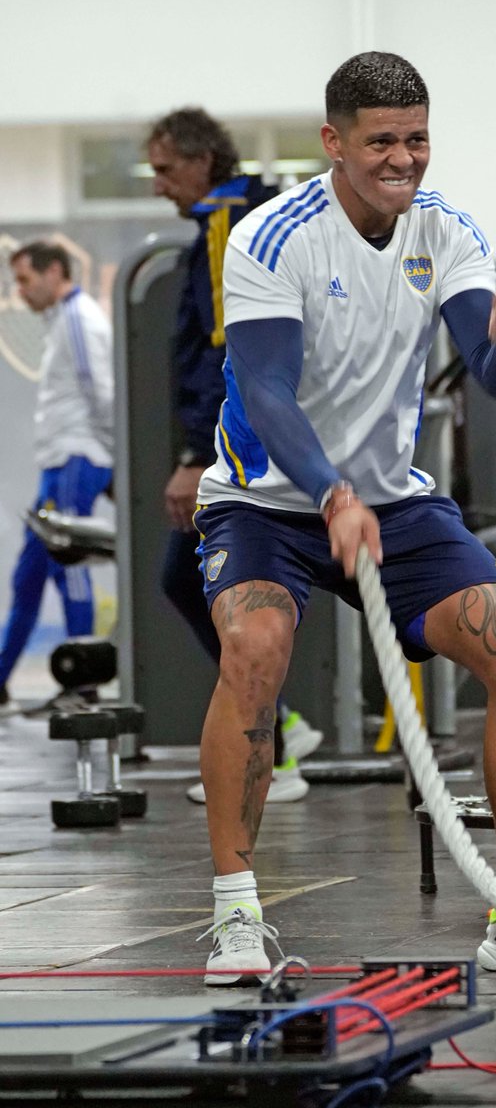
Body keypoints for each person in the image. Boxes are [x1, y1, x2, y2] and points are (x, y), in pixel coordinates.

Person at [192, 51, 496, 984]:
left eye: (416, 139)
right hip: (267, 502)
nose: (403, 159)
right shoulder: (271, 236)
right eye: (381, 142)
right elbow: (267, 388)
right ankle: (236, 920)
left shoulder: (446, 232)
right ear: (334, 142)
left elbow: (495, 382)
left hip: (393, 502)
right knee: (255, 648)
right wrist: (329, 494)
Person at [146, 108, 323, 803]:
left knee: (198, 581)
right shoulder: (231, 221)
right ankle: (282, 727)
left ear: (200, 161)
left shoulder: (229, 226)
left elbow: (233, 352)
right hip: (259, 449)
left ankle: (273, 744)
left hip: (244, 454)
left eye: (165, 169)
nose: (159, 185)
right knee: (195, 583)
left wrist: (199, 454)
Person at [0, 242, 113, 707]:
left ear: (54, 273)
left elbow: (101, 391)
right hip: (60, 463)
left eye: (26, 280)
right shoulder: (62, 321)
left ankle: (82, 683)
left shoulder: (78, 319)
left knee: (70, 566)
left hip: (77, 457)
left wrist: (111, 455)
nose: (20, 293)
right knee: (28, 576)